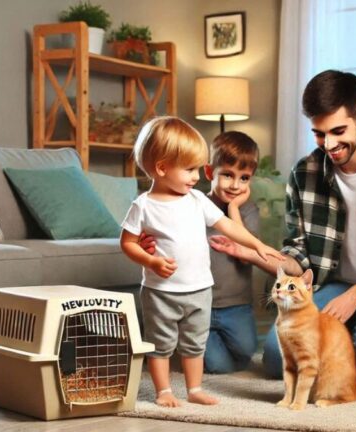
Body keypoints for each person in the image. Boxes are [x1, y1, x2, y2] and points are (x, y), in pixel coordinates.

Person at [209, 70, 356, 378]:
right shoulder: (304, 173)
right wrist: (250, 253)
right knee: (276, 360)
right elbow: (298, 257)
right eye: (319, 133)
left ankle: (354, 340)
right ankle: (335, 344)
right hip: (330, 285)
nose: (329, 144)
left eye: (338, 130)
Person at [120, 116, 283, 407]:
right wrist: (151, 262)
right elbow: (128, 243)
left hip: (199, 289)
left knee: (195, 343)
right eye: (190, 169)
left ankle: (194, 389)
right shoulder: (143, 205)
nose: (197, 177)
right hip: (161, 291)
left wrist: (258, 244)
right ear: (162, 168)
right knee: (160, 344)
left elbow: (227, 226)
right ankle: (164, 391)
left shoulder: (196, 200)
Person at [203, 131, 262, 374]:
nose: (235, 185)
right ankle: (193, 340)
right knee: (220, 367)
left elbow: (246, 249)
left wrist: (234, 207)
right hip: (201, 305)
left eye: (244, 178)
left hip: (236, 305)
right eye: (227, 175)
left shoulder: (248, 210)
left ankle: (200, 345)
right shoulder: (196, 206)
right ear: (209, 173)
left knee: (246, 352)